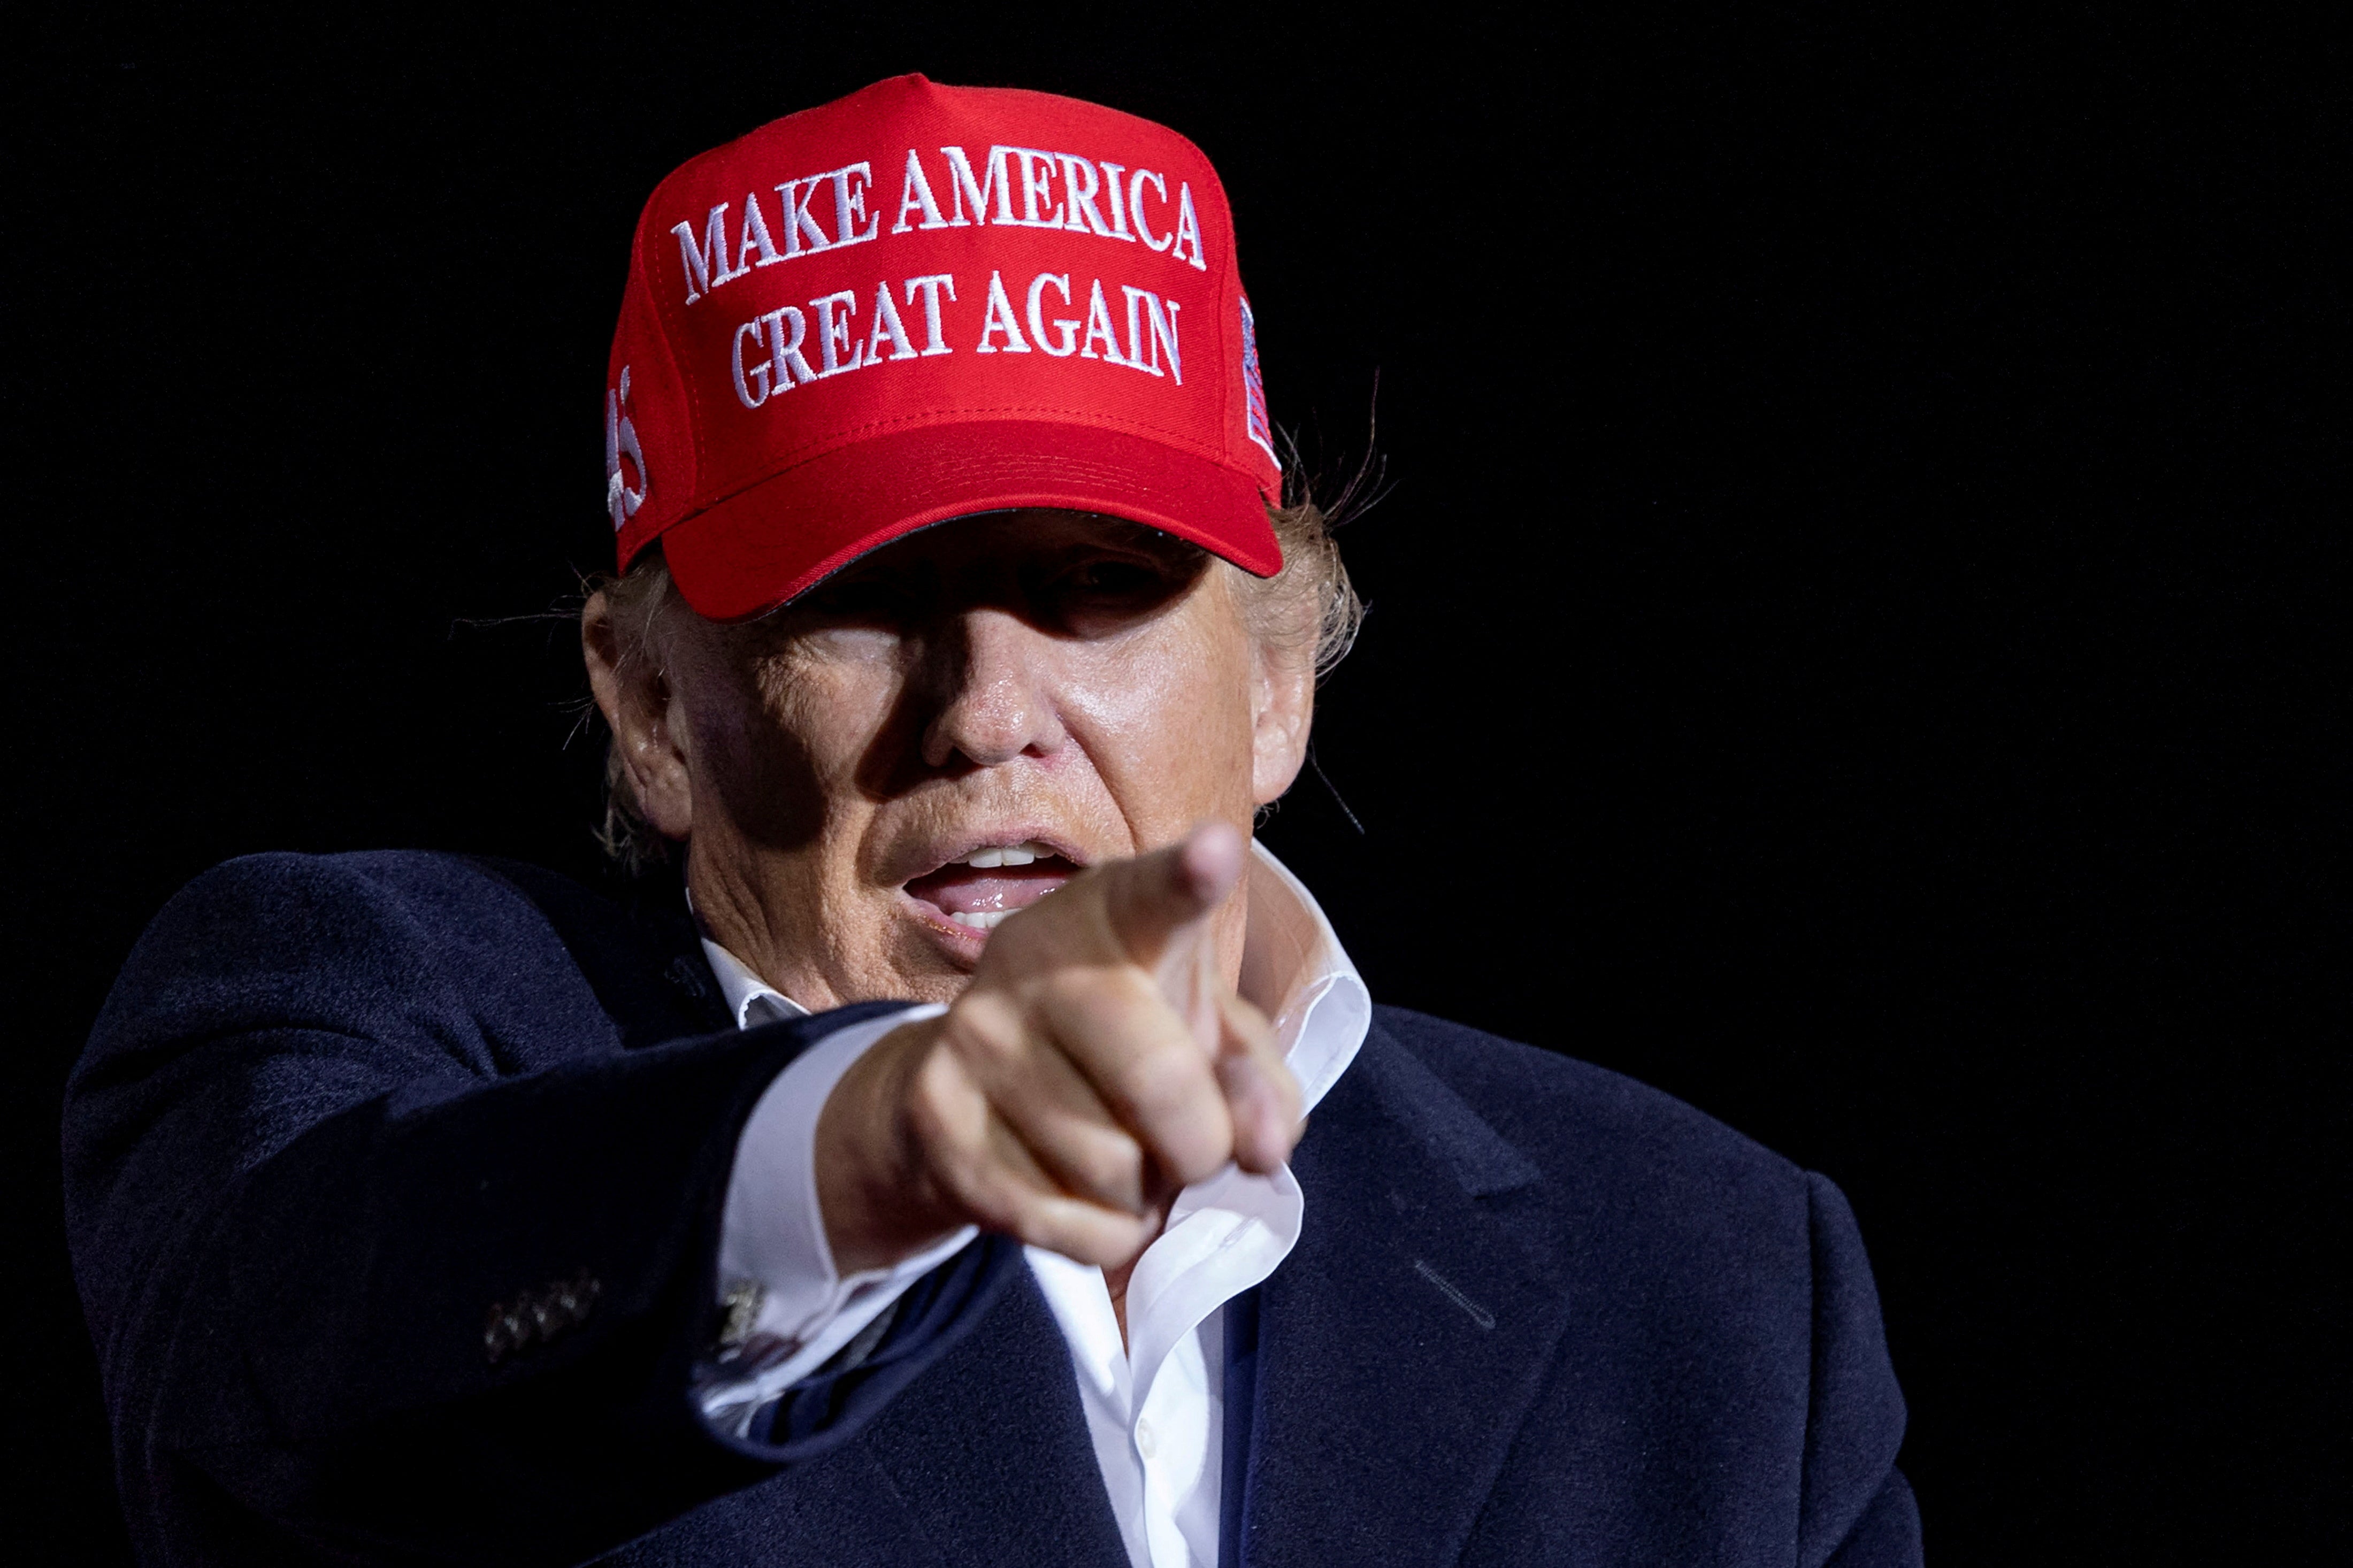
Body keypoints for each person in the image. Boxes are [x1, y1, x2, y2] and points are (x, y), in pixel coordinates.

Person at [64, 74, 1921, 1567]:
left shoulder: (1721, 1284)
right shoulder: (363, 1015)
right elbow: (276, 1390)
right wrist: (887, 1142)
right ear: (649, 708)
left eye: (1098, 582)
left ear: (1277, 676)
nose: (987, 713)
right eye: (854, 601)